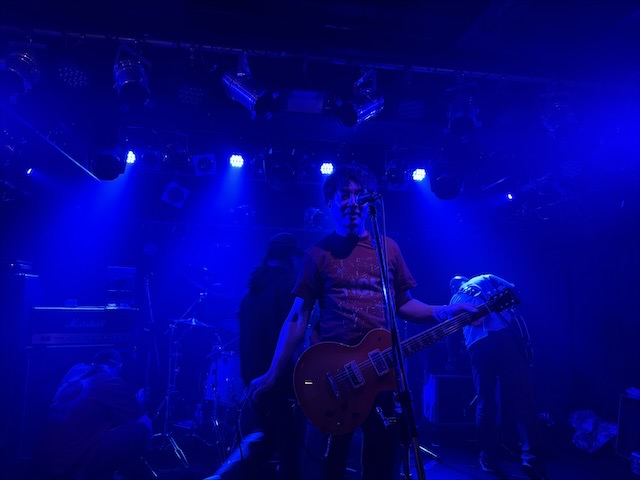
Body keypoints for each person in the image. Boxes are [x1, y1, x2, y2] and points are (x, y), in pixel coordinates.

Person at [248, 164, 475, 480]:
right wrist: (273, 372)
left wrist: (445, 312)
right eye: (345, 195)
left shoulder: (389, 249)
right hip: (332, 376)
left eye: (360, 195)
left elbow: (404, 304)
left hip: (383, 375)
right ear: (331, 203)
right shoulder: (318, 254)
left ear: (370, 203)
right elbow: (298, 315)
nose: (353, 202)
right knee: (328, 466)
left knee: (384, 460)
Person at [204, 232, 305, 480]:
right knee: (287, 444)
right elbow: (292, 331)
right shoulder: (288, 284)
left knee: (266, 437)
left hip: (252, 374)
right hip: (277, 375)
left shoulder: (252, 290)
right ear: (291, 257)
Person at [448, 274, 548, 479]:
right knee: (521, 397)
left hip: (478, 346)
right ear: (466, 280)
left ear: (454, 288)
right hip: (505, 338)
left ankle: (489, 456)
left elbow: (453, 333)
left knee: (485, 402)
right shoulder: (483, 278)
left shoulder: (454, 300)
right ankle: (530, 456)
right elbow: (514, 290)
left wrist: (452, 360)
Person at [33, 348, 153, 480]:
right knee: (141, 428)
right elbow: (144, 422)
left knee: (101, 425)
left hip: (45, 457)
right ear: (119, 366)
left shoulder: (75, 370)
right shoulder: (111, 381)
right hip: (71, 463)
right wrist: (135, 404)